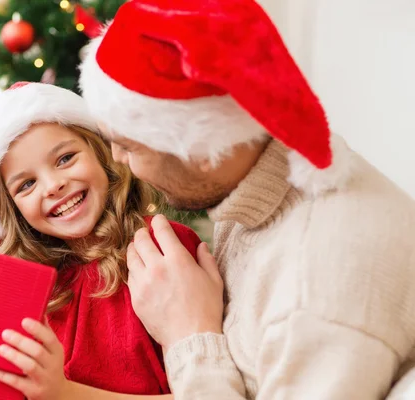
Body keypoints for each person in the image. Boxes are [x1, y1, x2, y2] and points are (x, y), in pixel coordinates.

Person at [78, 0, 415, 399]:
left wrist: (189, 336)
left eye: (129, 146)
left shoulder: (315, 296)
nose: (117, 160)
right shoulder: (256, 175)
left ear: (200, 150)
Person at [0, 82, 211, 400]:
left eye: (65, 159)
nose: (53, 185)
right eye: (27, 184)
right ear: (13, 211)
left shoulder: (161, 251)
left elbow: (212, 390)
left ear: (101, 153)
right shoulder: (25, 297)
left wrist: (64, 393)